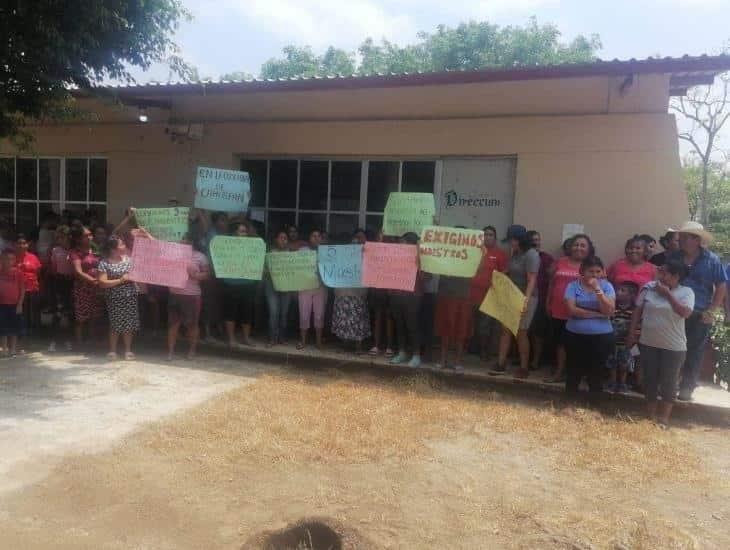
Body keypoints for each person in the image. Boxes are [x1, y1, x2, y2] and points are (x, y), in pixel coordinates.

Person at [627, 259, 694, 428]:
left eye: (664, 272)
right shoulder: (648, 287)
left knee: (669, 382)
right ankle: (650, 416)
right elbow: (637, 311)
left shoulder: (687, 292)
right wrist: (631, 333)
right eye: (660, 271)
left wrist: (667, 294)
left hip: (673, 346)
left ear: (675, 276)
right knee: (649, 379)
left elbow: (685, 313)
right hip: (648, 342)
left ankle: (664, 419)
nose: (659, 275)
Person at [671, 221, 727, 401]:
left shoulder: (712, 260)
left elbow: (721, 285)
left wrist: (712, 311)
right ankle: (669, 385)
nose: (679, 240)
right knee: (671, 348)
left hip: (699, 312)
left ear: (696, 240)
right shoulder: (674, 257)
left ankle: (687, 387)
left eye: (684, 237)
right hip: (675, 310)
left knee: (694, 351)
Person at [490, 225, 539, 379]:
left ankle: (524, 367)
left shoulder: (532, 255)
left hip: (526, 297)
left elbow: (532, 280)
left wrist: (525, 300)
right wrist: (498, 276)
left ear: (519, 240)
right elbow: (510, 271)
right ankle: (501, 363)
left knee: (521, 333)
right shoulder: (515, 253)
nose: (510, 243)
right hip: (511, 295)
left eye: (512, 240)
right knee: (505, 330)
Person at [544, 234, 595, 382]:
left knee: (580, 345)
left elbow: (599, 287)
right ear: (570, 247)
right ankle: (559, 373)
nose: (578, 247)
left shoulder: (592, 266)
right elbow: (551, 284)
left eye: (582, 245)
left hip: (580, 312)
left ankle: (576, 375)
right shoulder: (559, 262)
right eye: (576, 244)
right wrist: (548, 302)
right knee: (560, 344)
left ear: (589, 249)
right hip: (558, 310)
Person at [563, 256, 616, 399]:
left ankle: (594, 404)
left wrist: (598, 290)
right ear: (582, 271)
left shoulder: (607, 286)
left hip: (601, 337)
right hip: (575, 334)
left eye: (598, 271)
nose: (594, 275)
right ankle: (569, 402)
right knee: (574, 369)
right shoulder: (572, 286)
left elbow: (609, 310)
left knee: (596, 371)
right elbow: (572, 310)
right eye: (590, 271)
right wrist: (597, 314)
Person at [167, 233, 209, 360]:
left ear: (192, 241)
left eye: (186, 238)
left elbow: (207, 275)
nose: (183, 240)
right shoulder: (172, 254)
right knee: (173, 325)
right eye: (181, 238)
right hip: (174, 294)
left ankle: (192, 351)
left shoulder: (200, 257)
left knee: (192, 325)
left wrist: (195, 275)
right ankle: (170, 352)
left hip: (192, 295)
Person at [97, 235, 139, 360]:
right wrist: (121, 280)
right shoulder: (104, 263)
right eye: (121, 244)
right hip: (114, 299)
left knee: (128, 324)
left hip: (130, 297)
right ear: (113, 249)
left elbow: (138, 274)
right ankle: (113, 351)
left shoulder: (129, 260)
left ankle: (128, 350)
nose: (124, 246)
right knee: (115, 324)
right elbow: (102, 283)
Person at [469, 226, 508, 361]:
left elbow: (504, 274)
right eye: (485, 235)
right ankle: (472, 348)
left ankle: (484, 351)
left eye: (490, 235)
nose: (487, 237)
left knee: (485, 326)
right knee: (472, 323)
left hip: (489, 296)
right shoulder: (474, 252)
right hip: (471, 295)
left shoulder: (500, 254)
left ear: (495, 238)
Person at [332, 231, 371, 354]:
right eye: (356, 237)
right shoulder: (343, 253)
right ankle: (345, 344)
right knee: (343, 317)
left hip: (358, 292)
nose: (357, 240)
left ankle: (358, 346)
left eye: (360, 238)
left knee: (358, 319)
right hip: (343, 291)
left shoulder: (368, 254)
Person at [221, 221, 259, 349]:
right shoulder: (226, 245)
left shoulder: (253, 245)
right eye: (241, 231)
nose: (244, 234)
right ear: (234, 233)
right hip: (230, 283)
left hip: (248, 283)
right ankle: (231, 339)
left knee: (247, 312)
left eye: (245, 231)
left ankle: (246, 338)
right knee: (231, 311)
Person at [389, 232, 423, 368]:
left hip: (413, 296)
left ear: (411, 244)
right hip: (397, 294)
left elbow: (427, 277)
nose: (400, 244)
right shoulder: (395, 256)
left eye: (403, 242)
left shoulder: (422, 257)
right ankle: (402, 352)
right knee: (400, 325)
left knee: (412, 326)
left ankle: (416, 355)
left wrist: (419, 258)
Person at [69, 226, 104, 346]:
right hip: (83, 288)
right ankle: (79, 342)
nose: (90, 237)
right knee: (81, 317)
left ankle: (92, 339)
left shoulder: (95, 250)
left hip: (96, 288)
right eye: (86, 235)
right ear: (79, 238)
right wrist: (93, 281)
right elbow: (78, 272)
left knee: (94, 315)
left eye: (90, 235)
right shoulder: (75, 252)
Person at [526, 229, 554, 370]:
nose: (535, 242)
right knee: (524, 331)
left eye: (537, 239)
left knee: (538, 333)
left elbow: (552, 279)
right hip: (524, 299)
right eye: (532, 239)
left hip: (541, 300)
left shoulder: (547, 258)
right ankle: (523, 358)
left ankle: (535, 361)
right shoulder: (522, 257)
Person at [606, 282, 639, 394]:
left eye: (622, 290)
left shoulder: (634, 311)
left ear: (632, 295)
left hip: (626, 343)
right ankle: (612, 382)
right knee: (612, 362)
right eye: (618, 290)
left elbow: (637, 327)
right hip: (612, 342)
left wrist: (634, 339)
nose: (617, 292)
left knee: (625, 363)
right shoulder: (613, 308)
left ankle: (622, 383)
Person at [298, 229, 327, 349]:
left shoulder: (327, 252)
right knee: (304, 314)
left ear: (321, 238)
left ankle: (318, 342)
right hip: (305, 287)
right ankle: (303, 341)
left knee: (319, 315)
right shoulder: (302, 251)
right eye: (313, 236)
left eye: (318, 236)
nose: (316, 238)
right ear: (309, 238)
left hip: (321, 288)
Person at [264, 230, 293, 347]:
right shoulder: (269, 254)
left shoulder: (292, 255)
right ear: (276, 239)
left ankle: (282, 337)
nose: (283, 240)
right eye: (281, 237)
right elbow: (264, 271)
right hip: (272, 286)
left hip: (286, 287)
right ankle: (272, 338)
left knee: (284, 313)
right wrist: (267, 271)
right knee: (274, 312)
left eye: (285, 238)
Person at [47, 225, 74, 352]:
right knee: (57, 313)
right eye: (60, 237)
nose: (62, 240)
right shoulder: (55, 250)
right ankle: (54, 341)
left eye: (65, 237)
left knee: (68, 313)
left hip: (71, 282)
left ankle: (68, 340)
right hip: (59, 282)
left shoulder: (73, 251)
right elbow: (53, 268)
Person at [368, 229, 394, 357]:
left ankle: (389, 346)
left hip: (390, 290)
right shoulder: (372, 251)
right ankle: (376, 345)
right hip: (377, 290)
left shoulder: (395, 251)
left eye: (384, 236)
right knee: (378, 319)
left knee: (389, 319)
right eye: (379, 236)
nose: (381, 239)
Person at [14, 233, 42, 337]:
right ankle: (20, 332)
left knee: (33, 311)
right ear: (15, 245)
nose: (21, 245)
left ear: (27, 245)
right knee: (21, 312)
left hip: (33, 288)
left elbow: (38, 271)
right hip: (17, 290)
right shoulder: (11, 258)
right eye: (19, 243)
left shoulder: (33, 257)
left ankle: (33, 331)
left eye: (24, 243)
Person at [0, 249, 25, 357]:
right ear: (1, 260)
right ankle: (4, 349)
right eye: (6, 259)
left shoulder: (18, 273)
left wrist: (20, 304)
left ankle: (13, 349)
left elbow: (22, 289)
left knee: (14, 328)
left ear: (14, 260)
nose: (8, 261)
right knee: (3, 328)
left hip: (15, 304)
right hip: (2, 304)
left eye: (11, 259)